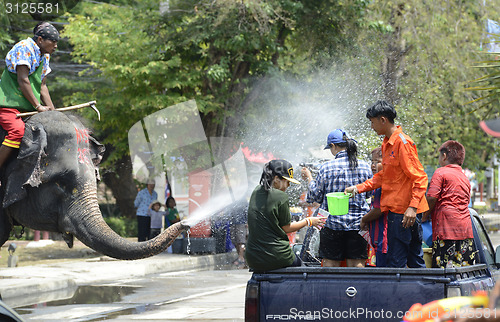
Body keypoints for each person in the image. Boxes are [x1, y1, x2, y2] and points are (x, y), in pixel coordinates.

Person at [345, 100, 429, 268]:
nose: (371, 126)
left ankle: (404, 294)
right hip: (398, 211)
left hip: (404, 213)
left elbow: (420, 178)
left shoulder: (402, 143)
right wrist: (358, 188)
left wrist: (412, 207)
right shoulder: (387, 143)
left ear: (383, 120)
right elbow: (384, 176)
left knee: (398, 262)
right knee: (412, 261)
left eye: (372, 122)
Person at [301, 129, 372, 268]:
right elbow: (369, 194)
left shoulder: (326, 167)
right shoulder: (364, 166)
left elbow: (316, 196)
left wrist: (309, 179)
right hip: (359, 224)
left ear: (333, 146)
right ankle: (355, 289)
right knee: (357, 263)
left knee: (330, 264)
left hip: (331, 224)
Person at [245, 159, 326, 271]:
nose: (288, 185)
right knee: (304, 270)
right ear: (276, 179)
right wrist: (309, 221)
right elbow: (287, 228)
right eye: (287, 182)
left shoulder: (256, 191)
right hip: (277, 255)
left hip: (253, 257)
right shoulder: (280, 196)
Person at [0, 22, 58, 169]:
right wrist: (38, 106)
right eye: (53, 42)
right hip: (8, 106)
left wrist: (53, 111)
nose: (56, 46)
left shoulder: (44, 56)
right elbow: (23, 79)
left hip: (28, 108)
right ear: (40, 40)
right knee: (17, 131)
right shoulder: (24, 48)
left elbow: (42, 85)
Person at [423, 140, 477, 268]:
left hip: (445, 232)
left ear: (445, 156)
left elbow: (431, 198)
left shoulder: (441, 172)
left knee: (444, 277)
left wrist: (424, 216)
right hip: (465, 232)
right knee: (463, 273)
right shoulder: (464, 177)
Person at [360, 147, 388, 267]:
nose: (373, 165)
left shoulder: (383, 184)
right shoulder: (377, 183)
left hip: (383, 237)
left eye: (377, 162)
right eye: (372, 162)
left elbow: (378, 209)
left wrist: (364, 219)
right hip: (378, 237)